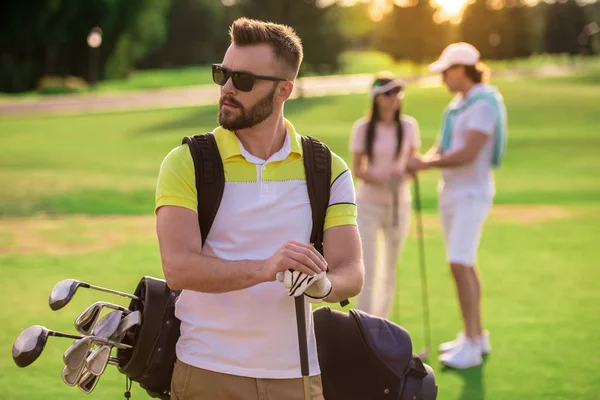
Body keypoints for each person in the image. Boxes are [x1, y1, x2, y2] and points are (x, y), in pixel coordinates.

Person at [154, 18, 364, 399]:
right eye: (223, 74)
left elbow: (351, 270)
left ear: (284, 90)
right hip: (206, 371)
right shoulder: (187, 162)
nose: (228, 88)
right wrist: (267, 269)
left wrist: (325, 284)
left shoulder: (327, 169)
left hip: (298, 377)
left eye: (244, 80)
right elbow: (178, 268)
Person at [407, 42, 507, 369]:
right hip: (452, 193)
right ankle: (475, 337)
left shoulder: (484, 104)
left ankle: (473, 345)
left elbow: (468, 152)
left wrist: (426, 164)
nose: (442, 78)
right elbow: (444, 146)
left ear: (461, 69)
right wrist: (424, 159)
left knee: (459, 264)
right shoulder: (458, 105)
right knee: (464, 263)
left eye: (445, 72)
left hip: (471, 194)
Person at [349, 72, 421, 319]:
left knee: (390, 269)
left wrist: (404, 175)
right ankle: (363, 326)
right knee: (367, 268)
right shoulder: (362, 128)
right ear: (377, 98)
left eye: (397, 92)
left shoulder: (409, 126)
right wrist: (382, 178)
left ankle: (383, 325)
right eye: (388, 93)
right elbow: (358, 169)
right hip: (368, 204)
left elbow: (411, 164)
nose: (394, 98)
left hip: (398, 204)